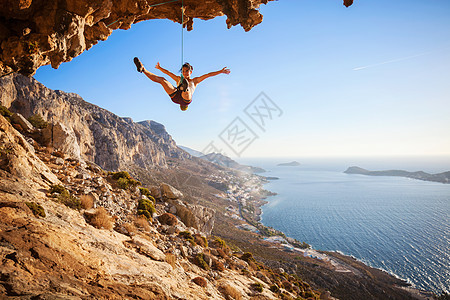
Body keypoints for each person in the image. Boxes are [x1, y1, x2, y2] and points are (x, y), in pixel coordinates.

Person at [133, 57, 230, 111]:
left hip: (185, 99)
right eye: (183, 71)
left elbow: (208, 75)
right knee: (162, 80)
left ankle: (185, 88)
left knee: (187, 92)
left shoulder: (195, 81)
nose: (185, 73)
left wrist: (220, 71)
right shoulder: (178, 78)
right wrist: (160, 68)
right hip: (176, 95)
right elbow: (168, 73)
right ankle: (143, 69)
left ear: (191, 72)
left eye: (187, 71)